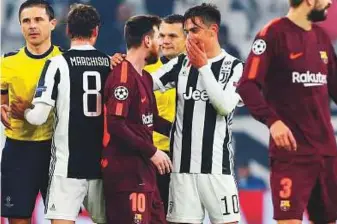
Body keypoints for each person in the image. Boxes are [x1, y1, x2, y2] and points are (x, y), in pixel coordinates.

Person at [237, 0, 337, 223]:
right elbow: (247, 85)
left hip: (325, 154)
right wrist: (273, 122)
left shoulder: (322, 38)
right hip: (291, 155)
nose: (329, 3)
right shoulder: (272, 34)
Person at [13, 3, 110, 224]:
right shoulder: (110, 63)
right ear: (96, 31)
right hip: (102, 164)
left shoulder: (57, 64)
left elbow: (37, 117)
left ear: (67, 31)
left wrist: (24, 111)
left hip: (68, 165)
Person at [152, 3, 243, 224]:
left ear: (213, 31)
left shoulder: (235, 67)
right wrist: (123, 67)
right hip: (181, 171)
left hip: (216, 170)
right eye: (187, 32)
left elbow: (224, 106)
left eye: (194, 30)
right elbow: (147, 83)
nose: (189, 37)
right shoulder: (181, 63)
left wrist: (203, 67)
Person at [102, 15, 172, 224]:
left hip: (145, 174)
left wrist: (186, 132)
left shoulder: (145, 77)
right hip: (127, 175)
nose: (162, 43)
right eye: (159, 36)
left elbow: (152, 119)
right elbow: (115, 124)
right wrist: (153, 151)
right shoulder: (123, 75)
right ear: (147, 40)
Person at [0, 1, 62, 224]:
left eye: (38, 20)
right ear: (20, 25)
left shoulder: (64, 61)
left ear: (52, 24)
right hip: (18, 149)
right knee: (18, 218)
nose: (32, 26)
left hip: (55, 150)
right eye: (26, 21)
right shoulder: (8, 62)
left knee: (61, 218)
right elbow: (2, 93)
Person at [144, 13, 186, 214]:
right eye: (162, 35)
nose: (165, 41)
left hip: (188, 157)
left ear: (187, 37)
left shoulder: (201, 70)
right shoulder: (146, 70)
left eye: (172, 36)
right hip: (155, 156)